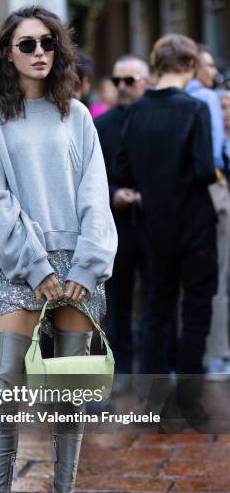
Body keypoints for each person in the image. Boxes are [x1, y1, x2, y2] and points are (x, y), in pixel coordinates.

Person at [0, 5, 117, 493]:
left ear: (59, 51)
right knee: (5, 389)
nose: (38, 52)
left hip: (77, 269)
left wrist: (84, 264)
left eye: (48, 42)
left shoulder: (76, 114)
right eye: (26, 43)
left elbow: (95, 196)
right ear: (8, 51)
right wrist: (35, 268)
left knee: (68, 394)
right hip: (18, 268)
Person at [116, 34, 217, 418]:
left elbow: (124, 170)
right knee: (195, 308)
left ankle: (154, 399)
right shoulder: (195, 108)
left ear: (156, 66)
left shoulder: (136, 112)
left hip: (153, 224)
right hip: (194, 223)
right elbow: (204, 169)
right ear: (190, 66)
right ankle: (191, 399)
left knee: (156, 308)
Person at [95, 54, 149, 378]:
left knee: (156, 297)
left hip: (154, 224)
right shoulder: (101, 125)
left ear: (147, 81)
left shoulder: (158, 121)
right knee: (118, 300)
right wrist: (114, 193)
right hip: (116, 227)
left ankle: (155, 362)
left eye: (130, 80)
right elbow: (91, 177)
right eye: (118, 81)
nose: (123, 87)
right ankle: (123, 365)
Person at [186, 45, 230, 380]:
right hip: (213, 194)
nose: (212, 71)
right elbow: (212, 156)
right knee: (218, 279)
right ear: (191, 66)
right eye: (207, 65)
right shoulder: (205, 98)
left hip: (180, 201)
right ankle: (217, 357)